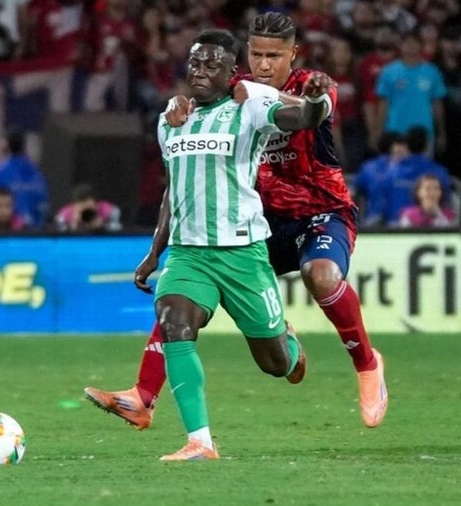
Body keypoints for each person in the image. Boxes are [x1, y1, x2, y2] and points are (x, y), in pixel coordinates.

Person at [85, 13, 387, 437]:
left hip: (321, 211)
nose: (263, 65)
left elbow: (314, 112)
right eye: (256, 54)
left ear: (293, 54)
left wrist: (296, 98)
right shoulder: (232, 87)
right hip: (262, 222)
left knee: (320, 274)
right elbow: (193, 126)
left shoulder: (311, 85)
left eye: (274, 56)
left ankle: (367, 364)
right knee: (181, 294)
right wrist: (179, 105)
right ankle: (144, 393)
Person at [128, 28, 344, 461]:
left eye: (212, 65)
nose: (200, 71)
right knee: (173, 323)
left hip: (242, 253)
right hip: (189, 254)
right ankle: (199, 441)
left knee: (274, 363)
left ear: (232, 73)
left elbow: (302, 118)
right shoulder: (172, 119)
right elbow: (173, 190)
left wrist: (317, 101)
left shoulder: (250, 106)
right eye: (195, 62)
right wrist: (155, 252)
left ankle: (291, 348)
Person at [374, 31, 447, 153]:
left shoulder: (432, 71)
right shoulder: (388, 72)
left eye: (414, 43)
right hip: (395, 133)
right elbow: (383, 106)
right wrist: (377, 133)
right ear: (400, 46)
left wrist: (441, 133)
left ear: (421, 46)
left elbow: (437, 106)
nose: (410, 46)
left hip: (424, 134)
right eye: (407, 43)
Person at [0, 129, 49, 228]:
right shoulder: (37, 171)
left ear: (6, 144)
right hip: (37, 229)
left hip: (11, 230)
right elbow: (43, 201)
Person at [53, 183, 121, 233]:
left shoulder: (103, 208)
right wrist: (72, 226)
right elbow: (58, 229)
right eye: (82, 207)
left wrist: (103, 226)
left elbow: (117, 226)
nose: (85, 210)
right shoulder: (66, 213)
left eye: (88, 207)